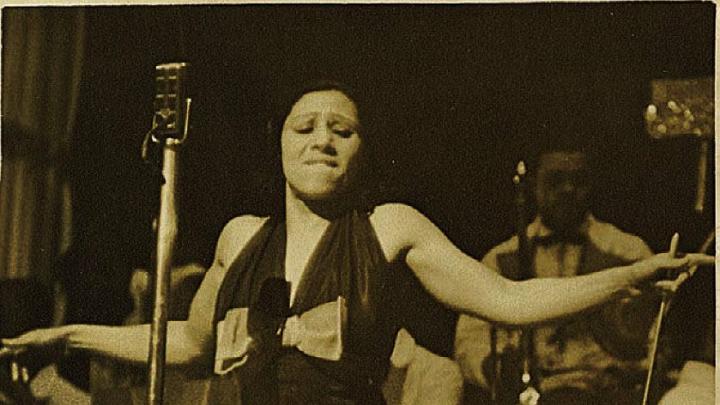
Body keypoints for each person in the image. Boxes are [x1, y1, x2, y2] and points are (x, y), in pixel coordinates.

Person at [1, 81, 711, 405]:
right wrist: (65, 336)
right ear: (278, 144)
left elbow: (509, 298)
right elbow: (183, 344)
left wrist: (633, 273)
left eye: (342, 129)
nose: (322, 139)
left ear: (363, 152)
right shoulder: (239, 237)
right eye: (304, 125)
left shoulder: (390, 227)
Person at [454, 148, 663, 404]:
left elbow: (657, 341)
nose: (567, 190)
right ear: (534, 185)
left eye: (578, 181)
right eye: (555, 180)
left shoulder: (629, 254)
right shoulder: (500, 259)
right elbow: (469, 340)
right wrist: (493, 369)